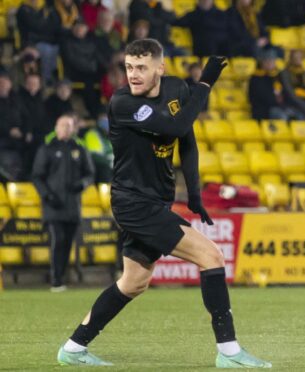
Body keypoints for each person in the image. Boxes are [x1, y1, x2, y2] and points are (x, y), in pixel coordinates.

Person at [55, 39, 270, 368]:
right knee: (211, 255)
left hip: (157, 200)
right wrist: (205, 83)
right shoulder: (123, 103)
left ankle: (72, 348)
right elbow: (175, 125)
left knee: (134, 282)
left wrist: (195, 194)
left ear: (160, 68)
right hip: (133, 203)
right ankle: (229, 353)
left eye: (141, 67)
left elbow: (188, 141)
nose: (133, 74)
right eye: (128, 67)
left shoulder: (175, 89)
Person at [32, 115, 94, 291]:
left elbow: (90, 174)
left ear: (73, 128)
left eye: (69, 126)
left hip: (73, 205)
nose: (66, 129)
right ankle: (55, 279)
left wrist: (82, 184)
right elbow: (37, 176)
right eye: (62, 126)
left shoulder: (80, 149)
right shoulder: (47, 148)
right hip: (53, 205)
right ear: (56, 127)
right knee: (57, 239)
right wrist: (47, 195)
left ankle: (62, 278)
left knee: (67, 242)